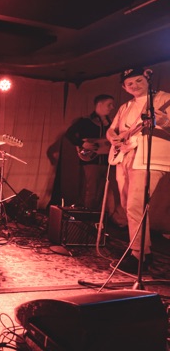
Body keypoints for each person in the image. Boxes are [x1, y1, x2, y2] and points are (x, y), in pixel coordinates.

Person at [106, 66, 170, 275]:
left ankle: (138, 254)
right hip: (125, 156)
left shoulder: (164, 99)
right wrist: (113, 139)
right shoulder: (125, 106)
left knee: (135, 205)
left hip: (151, 157)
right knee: (129, 206)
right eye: (129, 83)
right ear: (124, 88)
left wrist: (163, 121)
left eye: (138, 80)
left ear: (148, 79)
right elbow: (112, 129)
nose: (134, 85)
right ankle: (144, 251)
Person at [65, 94, 115, 210]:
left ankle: (102, 215)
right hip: (91, 161)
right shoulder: (85, 121)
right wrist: (82, 144)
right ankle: (89, 215)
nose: (112, 107)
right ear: (100, 105)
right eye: (109, 104)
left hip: (109, 162)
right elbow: (69, 134)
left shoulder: (112, 123)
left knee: (107, 191)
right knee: (91, 190)